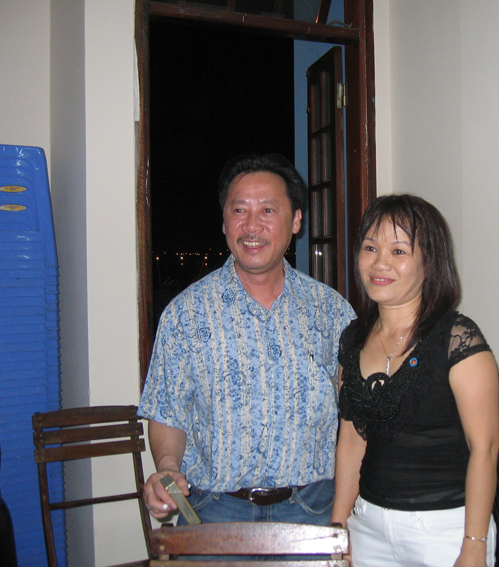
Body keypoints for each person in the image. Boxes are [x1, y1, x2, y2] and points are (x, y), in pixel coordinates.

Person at [139, 153, 355, 528]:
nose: (252, 226)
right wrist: (168, 467)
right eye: (239, 210)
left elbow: (355, 419)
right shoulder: (185, 314)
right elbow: (168, 412)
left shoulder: (331, 312)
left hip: (313, 512)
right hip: (213, 512)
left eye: (268, 210)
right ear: (224, 222)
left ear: (296, 220)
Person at [331, 194, 499, 567]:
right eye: (370, 248)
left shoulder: (456, 337)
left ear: (429, 262)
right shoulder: (352, 339)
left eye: (398, 251)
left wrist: (474, 544)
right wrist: (338, 529)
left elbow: (485, 448)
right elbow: (351, 440)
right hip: (368, 524)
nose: (380, 263)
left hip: (445, 530)